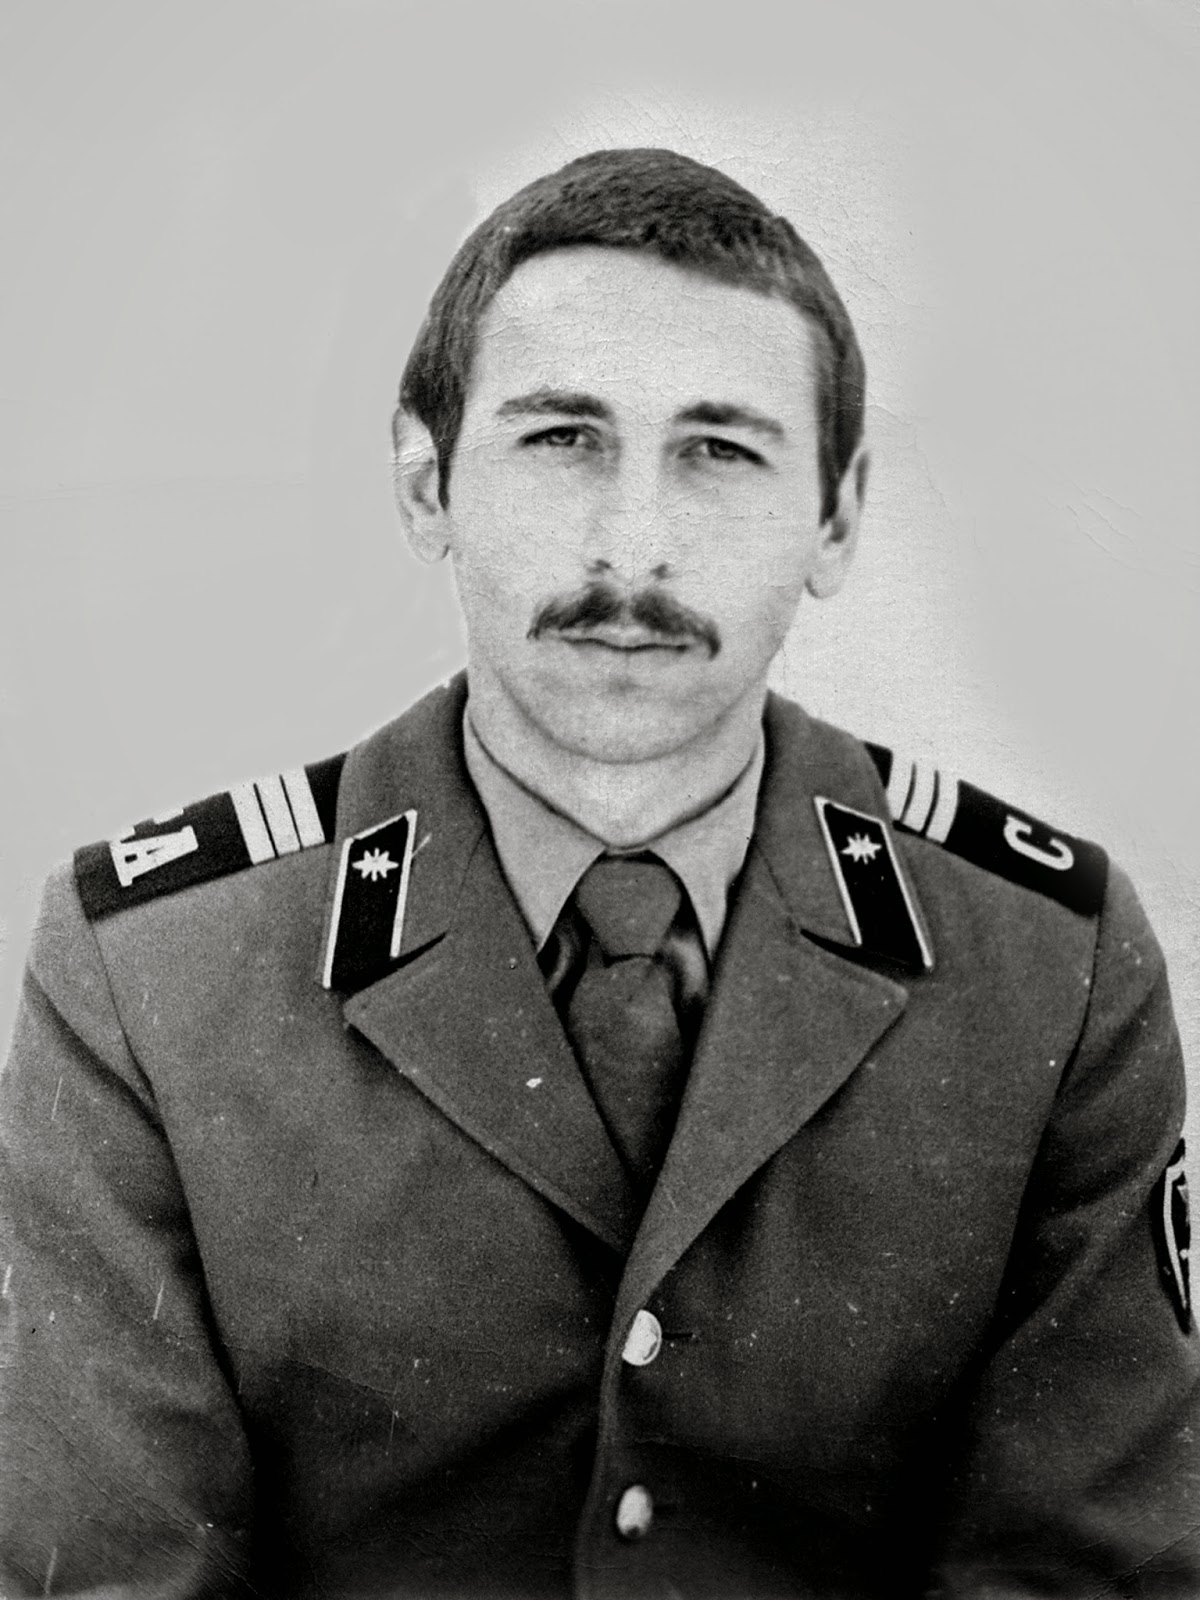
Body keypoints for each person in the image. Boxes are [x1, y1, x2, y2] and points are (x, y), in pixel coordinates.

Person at [0, 147, 1195, 1599]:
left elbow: (1088, 1572)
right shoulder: (151, 972)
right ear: (427, 484)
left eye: (721, 451)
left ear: (836, 517)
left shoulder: (1050, 963)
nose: (634, 545)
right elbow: (107, 1573)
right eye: (563, 438)